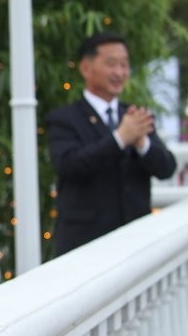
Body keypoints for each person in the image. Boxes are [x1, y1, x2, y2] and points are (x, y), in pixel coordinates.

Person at [45, 32, 177, 255]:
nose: (120, 72)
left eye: (125, 65)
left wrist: (141, 143)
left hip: (135, 241)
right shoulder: (64, 118)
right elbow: (69, 165)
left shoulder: (134, 115)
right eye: (112, 64)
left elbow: (167, 168)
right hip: (86, 245)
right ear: (86, 68)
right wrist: (119, 139)